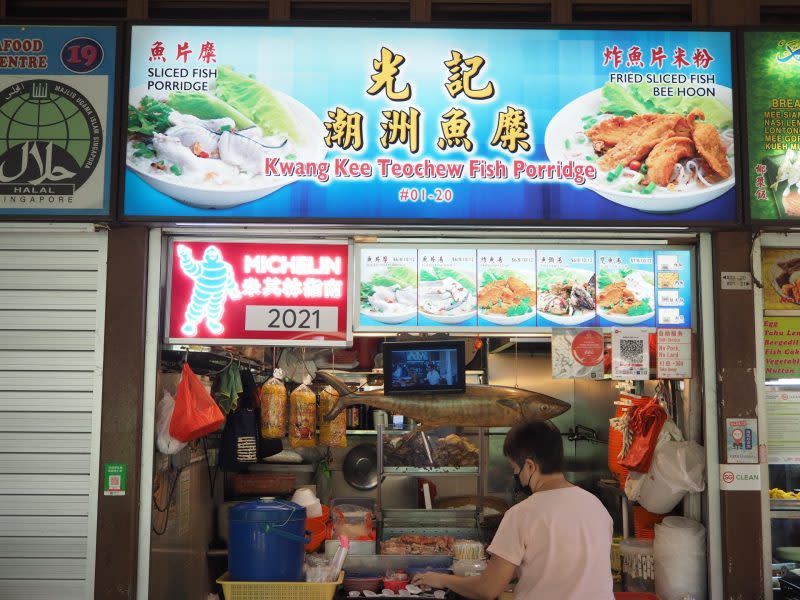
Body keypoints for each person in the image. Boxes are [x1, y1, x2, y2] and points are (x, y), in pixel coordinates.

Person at [412, 420, 614, 600]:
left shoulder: (522, 514)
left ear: (529, 466)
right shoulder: (596, 506)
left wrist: (443, 579)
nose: (515, 475)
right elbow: (559, 565)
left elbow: (487, 590)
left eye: (514, 468)